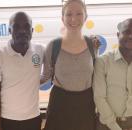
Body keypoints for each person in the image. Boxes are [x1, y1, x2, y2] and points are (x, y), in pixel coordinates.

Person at [41, 0, 99, 130]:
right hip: (59, 104)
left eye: (79, 13)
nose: (74, 18)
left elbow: (96, 76)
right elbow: (45, 76)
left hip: (86, 105)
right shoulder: (53, 45)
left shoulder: (93, 44)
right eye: (68, 14)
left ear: (86, 17)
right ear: (62, 18)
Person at [0, 11, 44, 130]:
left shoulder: (41, 50)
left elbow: (57, 63)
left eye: (26, 26)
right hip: (7, 120)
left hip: (33, 119)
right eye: (16, 26)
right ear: (9, 30)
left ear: (32, 31)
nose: (22, 31)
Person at [93, 18, 132, 130]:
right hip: (106, 124)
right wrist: (114, 127)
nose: (130, 36)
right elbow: (99, 97)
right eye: (126, 32)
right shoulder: (103, 61)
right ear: (118, 34)